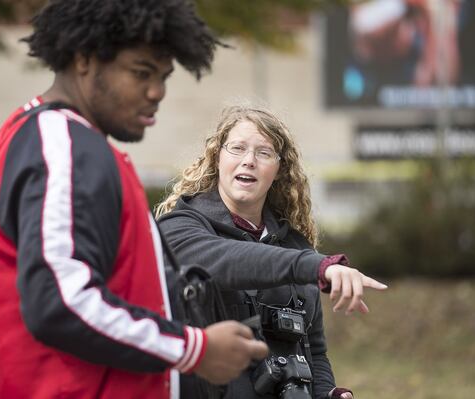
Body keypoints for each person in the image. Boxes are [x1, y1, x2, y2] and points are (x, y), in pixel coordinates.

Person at [0, 1, 268, 398]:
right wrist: (195, 349)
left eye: (164, 76)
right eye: (141, 73)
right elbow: (60, 302)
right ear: (84, 60)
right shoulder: (65, 146)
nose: (157, 92)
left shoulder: (18, 135)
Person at [156, 104, 388, 398]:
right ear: (217, 159)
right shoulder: (179, 228)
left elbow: (313, 352)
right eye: (237, 148)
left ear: (279, 170)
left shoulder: (294, 246)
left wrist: (329, 394)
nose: (248, 161)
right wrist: (318, 267)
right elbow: (229, 260)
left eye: (263, 153)